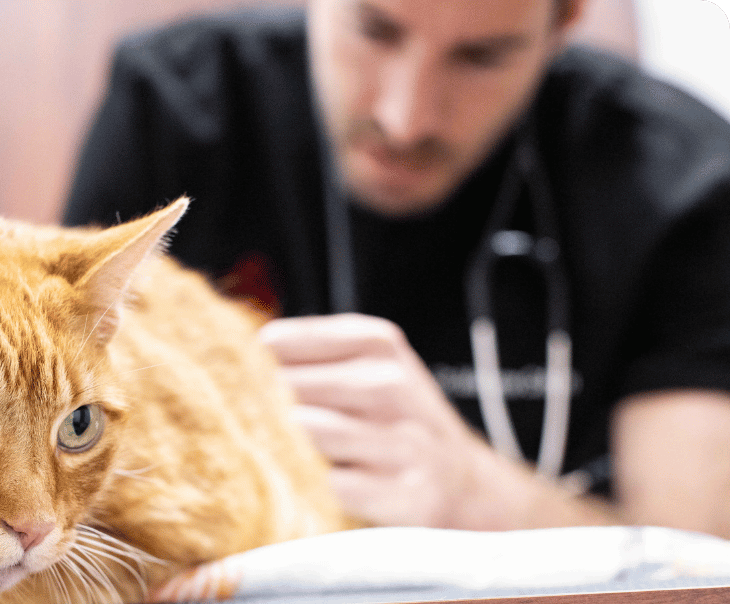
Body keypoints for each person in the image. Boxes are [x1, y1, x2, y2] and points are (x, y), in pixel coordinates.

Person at [62, 0, 730, 539]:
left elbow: (696, 575)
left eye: (481, 57)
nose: (404, 118)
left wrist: (480, 497)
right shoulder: (175, 106)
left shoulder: (680, 179)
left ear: (564, 23)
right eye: (375, 29)